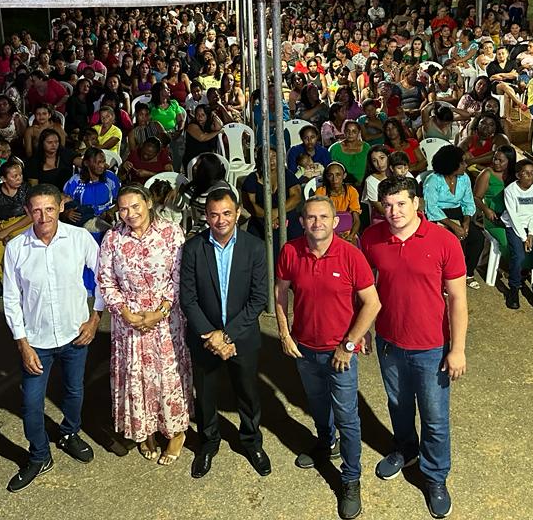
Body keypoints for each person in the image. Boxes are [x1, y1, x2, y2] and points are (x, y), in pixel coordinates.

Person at [360, 176, 466, 519]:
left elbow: (458, 299)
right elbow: (362, 288)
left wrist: (458, 348)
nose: (394, 212)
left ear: (416, 203)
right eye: (387, 205)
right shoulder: (371, 238)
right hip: (389, 342)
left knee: (435, 417)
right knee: (398, 405)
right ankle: (405, 449)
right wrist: (361, 330)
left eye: (401, 203)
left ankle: (435, 476)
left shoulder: (444, 241)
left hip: (432, 347)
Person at [275, 196, 382, 520]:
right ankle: (325, 443)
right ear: (302, 222)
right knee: (318, 404)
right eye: (311, 217)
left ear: (335, 222)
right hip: (305, 350)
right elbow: (280, 292)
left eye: (324, 217)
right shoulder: (290, 251)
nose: (317, 222)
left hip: (340, 355)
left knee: (347, 416)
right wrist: (284, 332)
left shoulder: (350, 255)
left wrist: (348, 345)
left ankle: (351, 478)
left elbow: (372, 303)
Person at [2, 183, 103, 492]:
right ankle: (39, 455)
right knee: (32, 404)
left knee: (74, 391)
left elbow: (104, 277)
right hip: (37, 342)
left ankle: (70, 433)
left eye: (49, 209)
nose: (43, 216)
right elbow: (11, 300)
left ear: (60, 207)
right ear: (27, 212)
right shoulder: (16, 248)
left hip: (75, 334)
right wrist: (22, 344)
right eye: (36, 210)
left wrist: (95, 319)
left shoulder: (80, 238)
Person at [180, 185, 271, 479]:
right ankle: (208, 442)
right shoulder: (193, 249)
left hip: (241, 337)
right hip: (204, 339)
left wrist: (227, 335)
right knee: (205, 395)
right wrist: (211, 335)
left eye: (227, 213)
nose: (221, 220)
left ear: (238, 213)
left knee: (247, 393)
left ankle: (251, 441)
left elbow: (258, 298)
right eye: (214, 214)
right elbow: (188, 299)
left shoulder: (254, 247)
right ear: (206, 216)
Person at [98, 185, 191, 466]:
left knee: (167, 377)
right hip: (129, 323)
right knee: (136, 377)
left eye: (135, 206)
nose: (130, 214)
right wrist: (125, 312)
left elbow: (180, 277)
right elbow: (105, 280)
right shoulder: (113, 238)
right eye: (123, 209)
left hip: (166, 320)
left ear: (149, 203)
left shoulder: (171, 233)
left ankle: (176, 432)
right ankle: (145, 430)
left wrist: (160, 311)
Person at [423, 145, 485, 286]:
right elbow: (431, 208)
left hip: (458, 213)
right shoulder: (433, 180)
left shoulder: (464, 178)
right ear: (451, 164)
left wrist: (466, 221)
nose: (465, 165)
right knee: (457, 240)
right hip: (439, 216)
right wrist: (454, 226)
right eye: (462, 162)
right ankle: (449, 278)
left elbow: (468, 202)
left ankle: (468, 272)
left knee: (477, 238)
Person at [501, 159, 533, 314]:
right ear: (518, 175)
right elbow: (513, 216)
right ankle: (514, 289)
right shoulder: (510, 190)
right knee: (519, 256)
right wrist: (524, 237)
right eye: (526, 173)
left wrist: (531, 234)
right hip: (515, 226)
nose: (530, 176)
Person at [242, 147, 302, 257]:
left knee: (295, 241)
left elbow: (296, 196)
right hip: (261, 219)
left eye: (274, 156)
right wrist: (269, 217)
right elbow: (249, 204)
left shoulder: (287, 175)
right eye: (267, 157)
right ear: (260, 159)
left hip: (286, 217)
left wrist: (276, 212)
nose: (271, 160)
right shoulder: (252, 179)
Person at [0, 161, 31, 278]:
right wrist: (3, 234)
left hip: (22, 224)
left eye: (20, 175)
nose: (19, 178)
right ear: (3, 179)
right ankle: (7, 283)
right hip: (2, 227)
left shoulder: (26, 189)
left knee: (17, 256)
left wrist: (6, 232)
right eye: (14, 176)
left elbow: (31, 216)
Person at [472, 145, 516, 262]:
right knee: (506, 242)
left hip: (512, 217)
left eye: (501, 161)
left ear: (510, 162)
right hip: (493, 217)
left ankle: (522, 266)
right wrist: (486, 209)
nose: (496, 162)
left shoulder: (515, 175)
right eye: (495, 159)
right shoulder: (487, 174)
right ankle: (515, 267)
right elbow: (476, 197)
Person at [315, 162, 362, 243]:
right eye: (330, 175)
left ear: (344, 176)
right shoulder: (321, 192)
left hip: (347, 231)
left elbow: (356, 220)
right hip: (327, 230)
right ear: (327, 177)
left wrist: (350, 236)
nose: (334, 179)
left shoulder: (351, 191)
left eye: (338, 175)